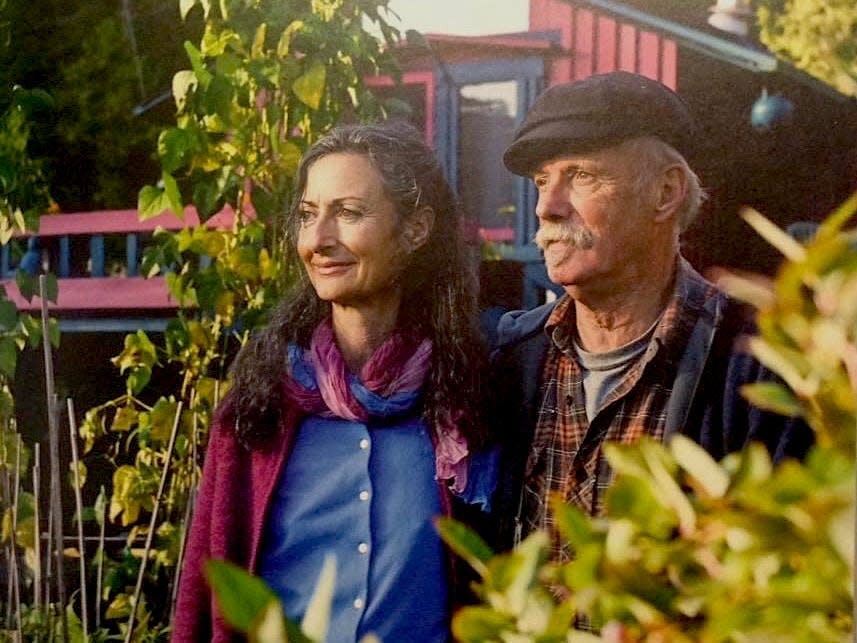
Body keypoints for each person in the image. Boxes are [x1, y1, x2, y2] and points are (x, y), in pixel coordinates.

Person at [172, 122, 494, 642]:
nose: (319, 240)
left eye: (348, 213)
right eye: (307, 215)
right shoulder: (260, 407)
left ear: (415, 229)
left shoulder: (467, 398)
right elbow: (202, 589)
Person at [489, 71, 813, 558]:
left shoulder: (759, 367)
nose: (547, 208)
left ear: (666, 192)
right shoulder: (514, 358)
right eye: (541, 181)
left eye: (580, 175)